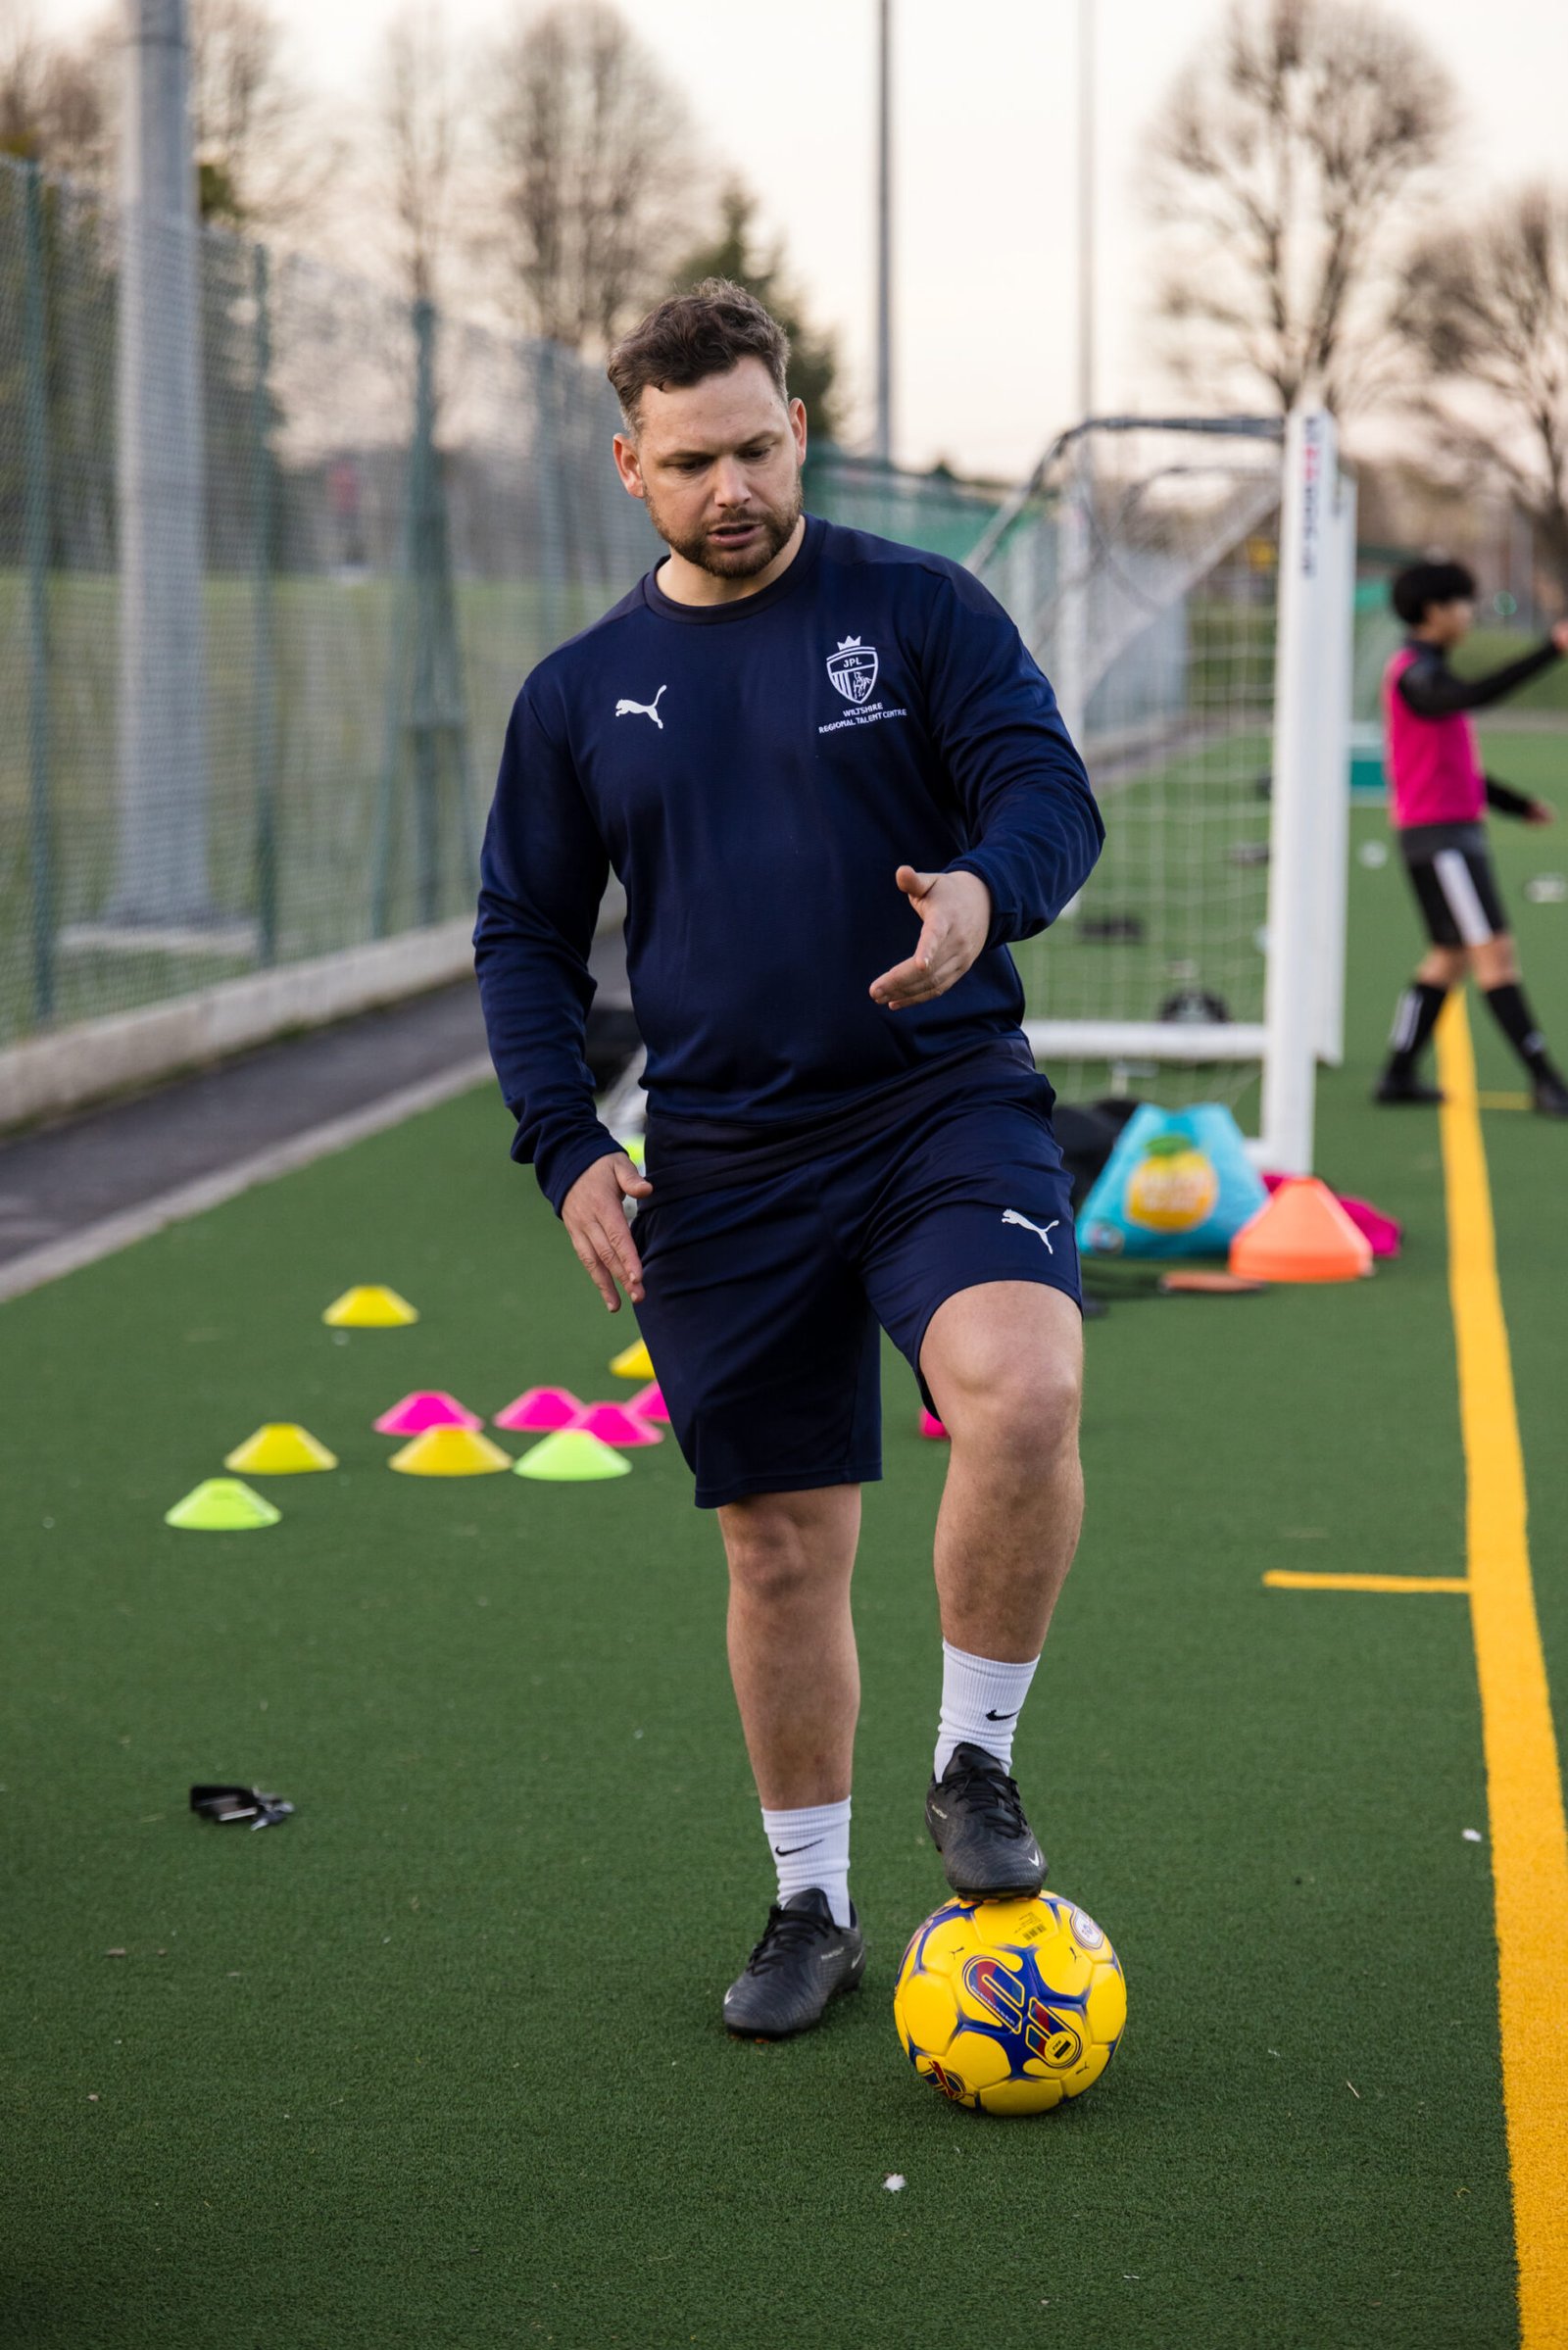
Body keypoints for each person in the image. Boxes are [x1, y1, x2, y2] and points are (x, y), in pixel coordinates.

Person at [473, 281, 1102, 2037]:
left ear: (799, 427)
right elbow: (525, 933)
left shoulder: (919, 609)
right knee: (776, 1547)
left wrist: (983, 891)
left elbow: (1047, 796)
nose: (732, 486)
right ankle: (810, 1903)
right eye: (691, 462)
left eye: (756, 447)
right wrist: (565, 1144)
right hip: (724, 1155)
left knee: (1026, 1389)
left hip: (937, 1100)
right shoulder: (578, 693)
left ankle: (974, 1763)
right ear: (631, 467)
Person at [1374, 559, 1568, 1112]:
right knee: (1494, 955)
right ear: (1433, 611)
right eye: (1462, 603)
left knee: (1448, 957)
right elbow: (1473, 695)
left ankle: (1397, 1075)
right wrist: (1551, 649)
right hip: (1441, 842)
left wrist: (1514, 804)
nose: (1469, 613)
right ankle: (1546, 1081)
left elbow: (1454, 771)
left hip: (1448, 836)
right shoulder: (1415, 674)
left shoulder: (1431, 672)